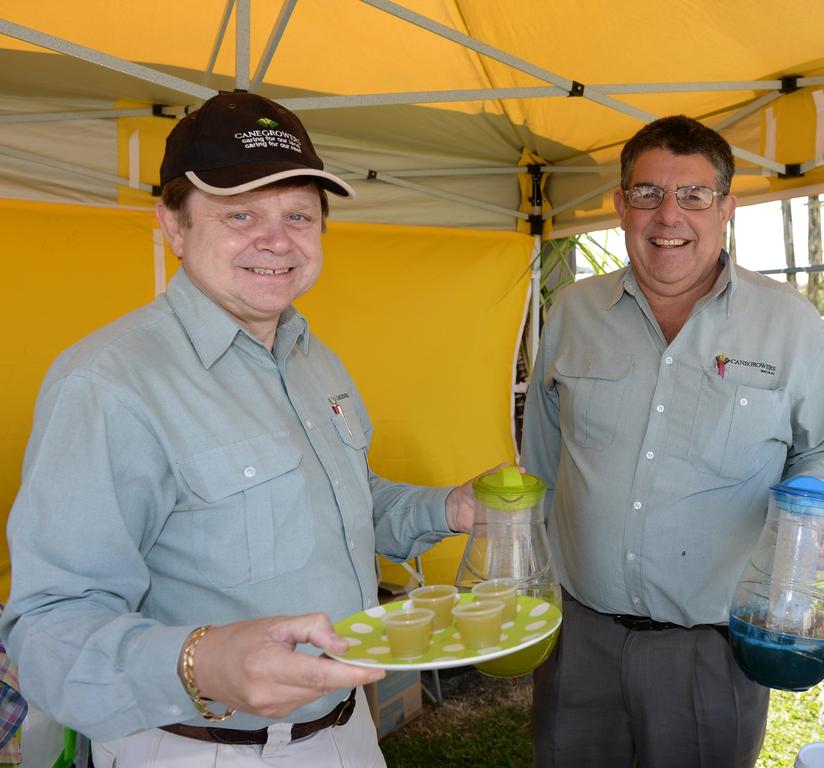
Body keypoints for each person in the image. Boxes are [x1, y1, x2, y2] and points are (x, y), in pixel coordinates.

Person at [0, 92, 480, 767]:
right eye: (241, 214)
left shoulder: (315, 358)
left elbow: (345, 508)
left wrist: (449, 506)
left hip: (347, 732)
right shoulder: (109, 384)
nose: (276, 240)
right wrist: (201, 663)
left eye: (297, 215)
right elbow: (47, 631)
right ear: (173, 224)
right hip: (198, 746)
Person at [521, 115, 824, 767]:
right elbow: (541, 456)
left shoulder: (788, 321)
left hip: (711, 651)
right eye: (647, 193)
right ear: (621, 205)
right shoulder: (573, 312)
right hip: (579, 636)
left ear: (727, 207)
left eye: (694, 195)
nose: (668, 215)